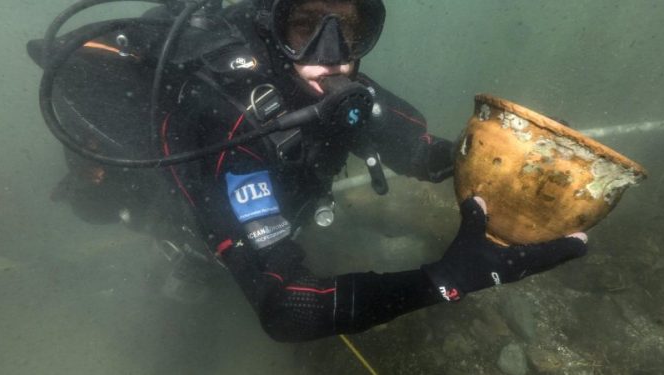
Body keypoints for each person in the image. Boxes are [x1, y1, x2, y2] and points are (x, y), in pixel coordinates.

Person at [29, 0, 588, 342]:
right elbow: (289, 308)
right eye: (305, 25)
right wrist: (448, 279)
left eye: (349, 26)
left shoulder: (343, 91)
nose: (333, 54)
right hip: (186, 213)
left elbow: (425, 153)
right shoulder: (229, 119)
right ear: (273, 25)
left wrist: (519, 159)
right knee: (186, 296)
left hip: (276, 210)